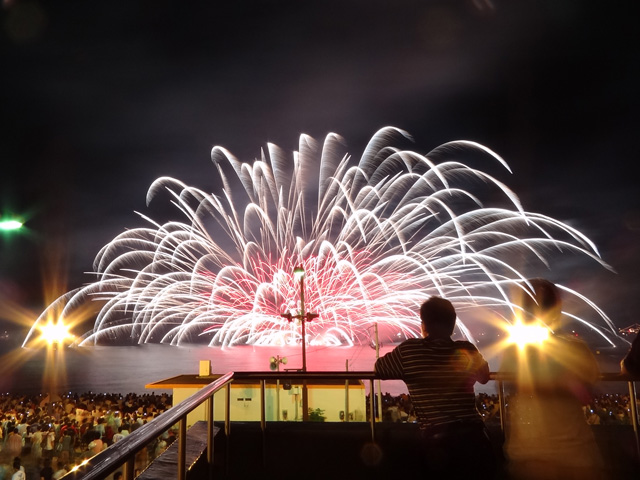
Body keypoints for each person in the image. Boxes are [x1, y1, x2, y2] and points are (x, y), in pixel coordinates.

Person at [374, 296, 496, 479]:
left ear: (424, 324)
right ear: (453, 324)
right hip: (474, 438)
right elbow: (485, 378)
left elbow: (379, 369)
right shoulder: (467, 349)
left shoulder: (409, 351)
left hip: (437, 443)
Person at [500, 279, 605, 480]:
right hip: (578, 455)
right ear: (557, 309)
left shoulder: (513, 352)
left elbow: (510, 384)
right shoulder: (577, 349)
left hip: (529, 455)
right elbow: (588, 390)